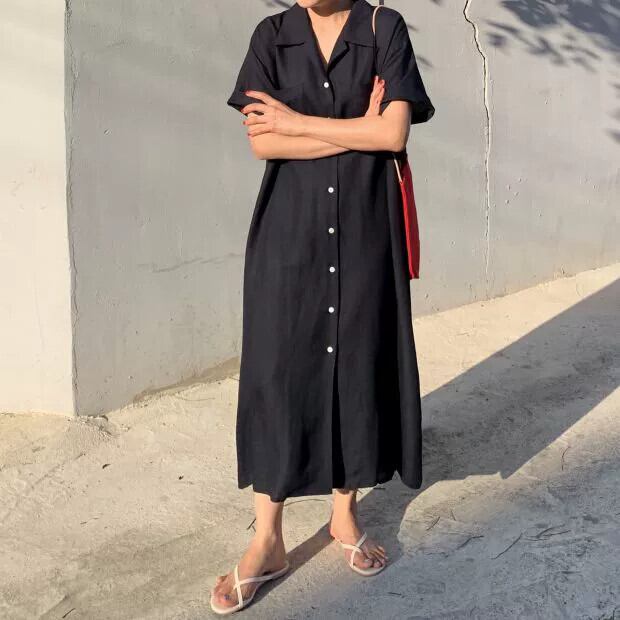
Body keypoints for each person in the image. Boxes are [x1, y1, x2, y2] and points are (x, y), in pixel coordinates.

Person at [212, 0, 434, 613]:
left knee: (356, 363)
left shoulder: (383, 28)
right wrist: (355, 127)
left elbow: (393, 134)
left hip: (366, 230)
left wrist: (297, 123)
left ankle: (343, 515)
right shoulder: (271, 36)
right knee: (277, 372)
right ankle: (268, 540)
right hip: (290, 233)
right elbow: (263, 146)